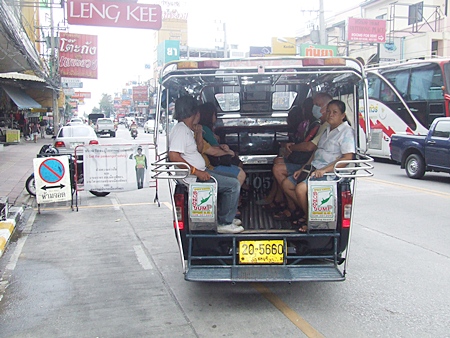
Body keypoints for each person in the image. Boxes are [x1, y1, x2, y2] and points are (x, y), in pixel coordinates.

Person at [169, 96, 244, 234]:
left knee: (233, 177)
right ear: (194, 112)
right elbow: (174, 156)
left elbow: (197, 150)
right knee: (233, 185)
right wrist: (197, 172)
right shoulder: (180, 130)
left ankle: (227, 217)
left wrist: (197, 133)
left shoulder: (187, 129)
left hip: (200, 171)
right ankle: (224, 222)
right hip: (193, 177)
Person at [257, 93, 333, 221]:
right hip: (309, 163)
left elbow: (310, 147)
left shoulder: (326, 127)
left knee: (279, 169)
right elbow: (314, 151)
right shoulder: (320, 125)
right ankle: (286, 204)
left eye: (317, 105)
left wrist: (292, 148)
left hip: (318, 168)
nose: (314, 108)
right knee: (279, 166)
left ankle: (293, 208)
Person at [288, 99, 355, 232]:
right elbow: (316, 152)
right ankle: (307, 214)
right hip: (313, 169)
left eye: (335, 112)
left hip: (328, 174)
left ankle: (310, 222)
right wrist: (304, 167)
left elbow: (347, 157)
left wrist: (324, 170)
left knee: (301, 189)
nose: (330, 115)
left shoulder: (346, 132)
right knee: (287, 184)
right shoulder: (327, 129)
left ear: (342, 115)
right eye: (329, 111)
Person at [197, 102, 245, 185]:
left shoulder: (205, 129)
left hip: (209, 163)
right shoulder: (204, 130)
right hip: (211, 165)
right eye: (215, 114)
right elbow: (214, 149)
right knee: (240, 171)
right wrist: (230, 152)